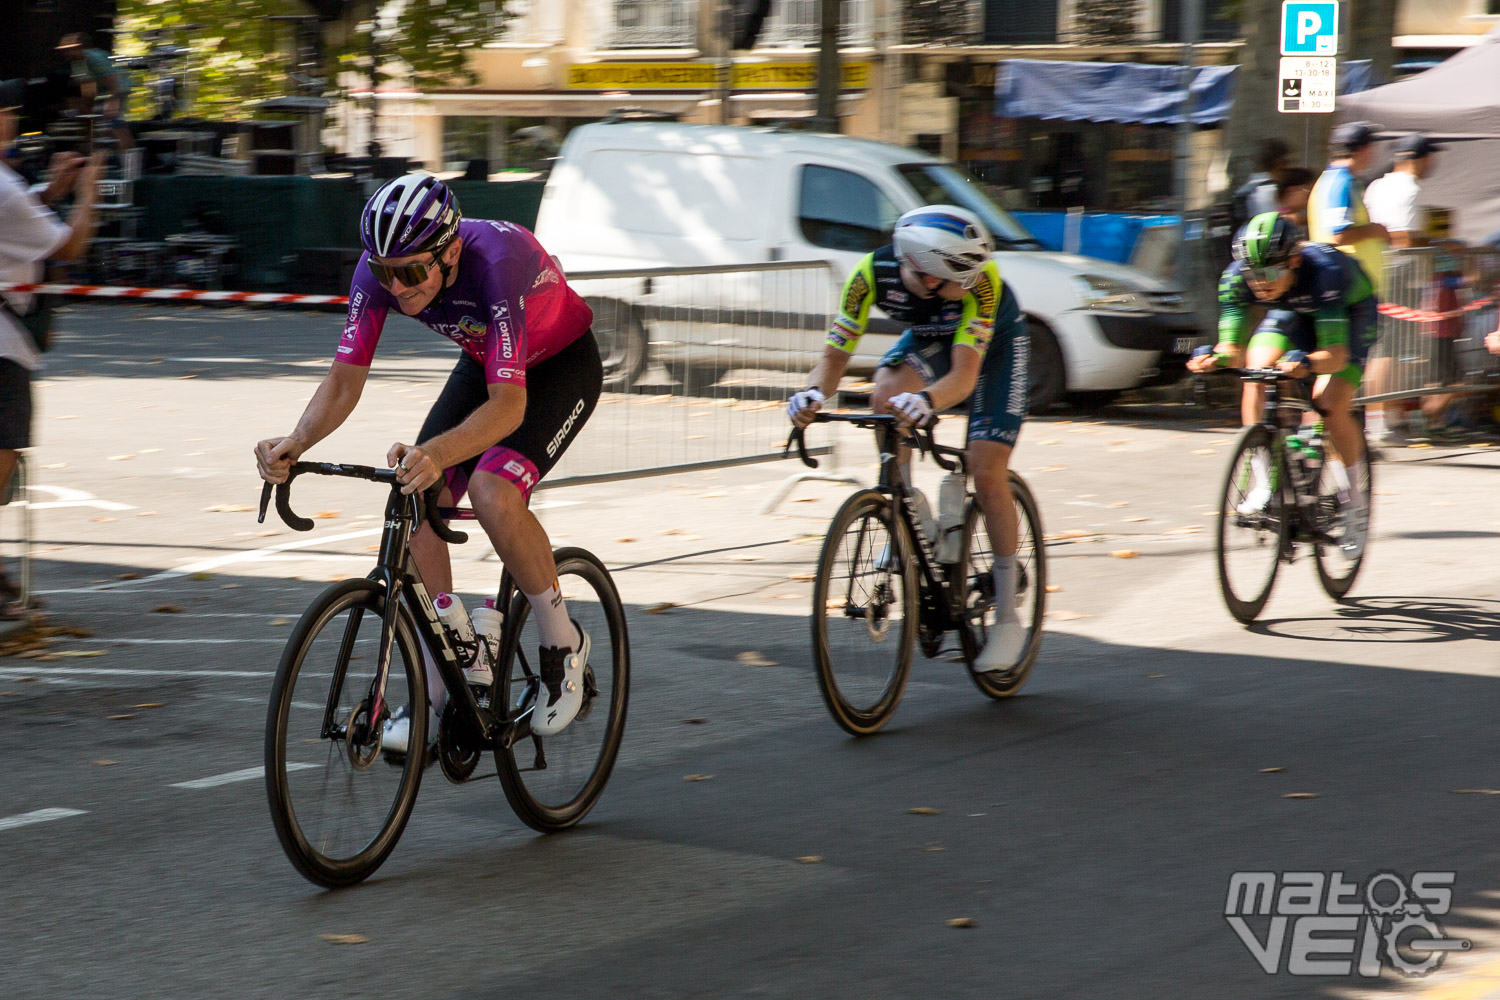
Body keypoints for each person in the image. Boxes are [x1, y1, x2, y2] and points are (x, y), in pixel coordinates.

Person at [254, 173, 600, 751]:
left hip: (559, 367)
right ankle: (448, 683)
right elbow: (344, 380)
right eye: (386, 272)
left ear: (451, 251)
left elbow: (510, 406)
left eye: (412, 271)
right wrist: (297, 441)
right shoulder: (383, 268)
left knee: (492, 491)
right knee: (413, 494)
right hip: (487, 361)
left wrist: (438, 452)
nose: (398, 285)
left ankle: (562, 644)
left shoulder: (498, 261)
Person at [786, 205, 1030, 674]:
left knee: (986, 469)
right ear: (920, 270)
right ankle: (907, 509)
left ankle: (1008, 614)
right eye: (957, 278)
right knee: (886, 393)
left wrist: (929, 402)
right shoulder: (870, 275)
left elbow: (962, 376)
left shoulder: (981, 283)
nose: (968, 284)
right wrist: (811, 392)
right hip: (929, 337)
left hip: (993, 347)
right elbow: (835, 355)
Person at [1187, 213, 1379, 558]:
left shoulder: (1325, 273)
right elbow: (1231, 349)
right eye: (1253, 274)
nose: (1260, 283)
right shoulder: (1235, 279)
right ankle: (1265, 481)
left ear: (1293, 260)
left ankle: (1354, 505)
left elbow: (1335, 355)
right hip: (1291, 311)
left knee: (1328, 402)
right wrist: (1213, 359)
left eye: (1271, 271)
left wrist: (1307, 363)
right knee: (1255, 373)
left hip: (1348, 314)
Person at [0, 80, 103, 615]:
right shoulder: (3, 184)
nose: (11, 118)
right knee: (3, 454)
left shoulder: (9, 187)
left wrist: (53, 191)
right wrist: (88, 193)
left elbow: (19, 221)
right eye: (5, 111)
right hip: (2, 346)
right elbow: (71, 244)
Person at [1365, 133, 1462, 438]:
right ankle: (1381, 421)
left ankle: (1388, 418)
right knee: (1389, 349)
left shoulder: (1376, 185)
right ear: (1417, 158)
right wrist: (1440, 244)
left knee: (1390, 347)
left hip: (1379, 268)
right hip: (1400, 271)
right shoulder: (1408, 188)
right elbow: (1404, 237)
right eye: (1429, 156)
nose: (1432, 162)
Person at [56, 33, 133, 153]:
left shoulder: (94, 58)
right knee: (94, 118)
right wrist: (85, 107)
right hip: (105, 91)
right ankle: (99, 155)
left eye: (70, 50)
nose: (67, 53)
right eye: (64, 51)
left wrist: (113, 101)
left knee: (114, 121)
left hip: (119, 88)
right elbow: (87, 86)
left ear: (79, 48)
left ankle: (127, 155)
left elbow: (112, 78)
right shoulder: (77, 62)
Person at [1235, 138, 1291, 226]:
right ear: (1279, 164)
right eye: (1287, 163)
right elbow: (1272, 226)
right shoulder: (1267, 190)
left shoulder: (1248, 185)